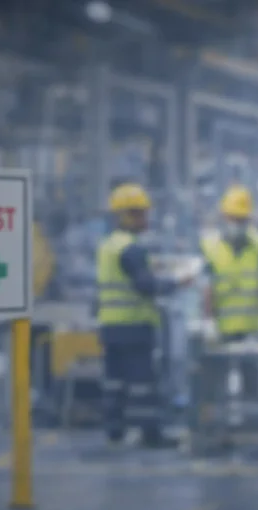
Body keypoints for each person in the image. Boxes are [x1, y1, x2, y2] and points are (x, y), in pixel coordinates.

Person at [96, 182, 188, 449]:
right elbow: (145, 286)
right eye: (140, 213)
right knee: (143, 384)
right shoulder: (131, 248)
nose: (145, 218)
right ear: (125, 215)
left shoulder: (108, 245)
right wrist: (177, 282)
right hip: (134, 326)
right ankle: (150, 435)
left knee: (115, 382)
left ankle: (114, 431)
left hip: (110, 326)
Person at [200, 184, 258, 405]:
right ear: (224, 218)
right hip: (221, 329)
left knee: (252, 380)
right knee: (215, 381)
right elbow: (207, 289)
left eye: (242, 220)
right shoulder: (210, 247)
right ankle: (216, 428)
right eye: (233, 219)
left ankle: (251, 425)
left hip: (252, 328)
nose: (237, 225)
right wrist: (208, 322)